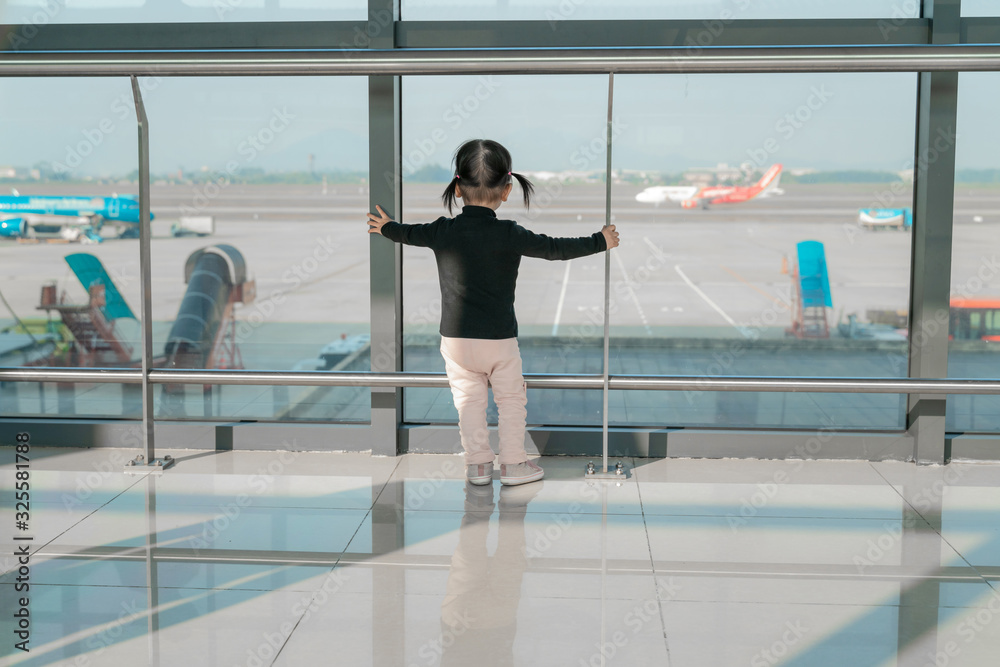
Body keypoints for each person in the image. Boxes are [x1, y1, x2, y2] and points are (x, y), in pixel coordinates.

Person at [367, 139, 619, 486]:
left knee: (468, 402)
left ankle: (478, 465)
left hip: (455, 339)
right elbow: (555, 249)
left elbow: (408, 233)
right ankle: (514, 464)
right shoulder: (509, 233)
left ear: (458, 189)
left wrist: (385, 227)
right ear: (507, 190)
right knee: (511, 399)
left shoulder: (442, 230)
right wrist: (600, 240)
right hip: (499, 338)